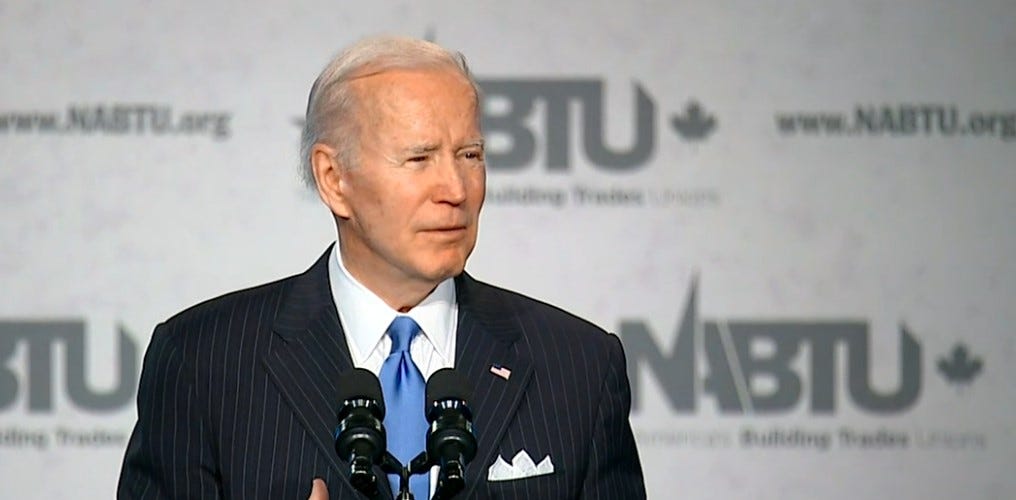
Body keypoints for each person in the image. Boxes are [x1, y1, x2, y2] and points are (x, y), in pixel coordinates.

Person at [117, 35, 645, 500]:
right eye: (419, 159)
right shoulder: (204, 362)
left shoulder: (580, 367)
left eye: (470, 155)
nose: (456, 191)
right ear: (334, 178)